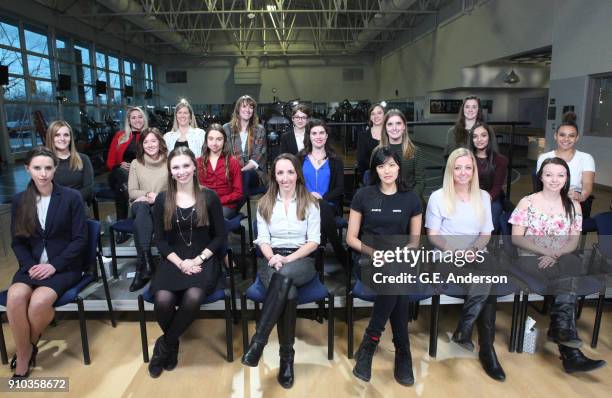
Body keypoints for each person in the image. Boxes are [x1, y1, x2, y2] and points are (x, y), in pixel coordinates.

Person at [510, 157, 606, 374]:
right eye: (549, 174)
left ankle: (562, 334)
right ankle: (568, 348)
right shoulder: (528, 202)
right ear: (541, 177)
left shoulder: (573, 205)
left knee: (572, 264)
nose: (554, 179)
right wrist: (546, 252)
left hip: (560, 255)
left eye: (560, 175)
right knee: (568, 274)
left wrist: (556, 253)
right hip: (530, 255)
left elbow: (573, 240)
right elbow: (517, 238)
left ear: (567, 178)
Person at [7, 146, 88, 379]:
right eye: (37, 168)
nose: (43, 174)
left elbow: (80, 239)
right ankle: (28, 348)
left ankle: (24, 351)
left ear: (55, 170)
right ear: (27, 169)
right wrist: (30, 264)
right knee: (15, 296)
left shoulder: (71, 198)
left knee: (39, 301)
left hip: (63, 266)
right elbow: (18, 241)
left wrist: (54, 265)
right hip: (31, 266)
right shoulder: (20, 200)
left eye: (48, 168)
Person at [425, 148, 505, 381]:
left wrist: (473, 250)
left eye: (467, 167)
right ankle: (486, 349)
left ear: (474, 171)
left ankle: (466, 332)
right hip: (446, 256)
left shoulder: (482, 197)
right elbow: (433, 236)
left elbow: (486, 233)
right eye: (457, 167)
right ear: (450, 169)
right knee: (487, 284)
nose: (462, 172)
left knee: (486, 272)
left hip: (475, 254)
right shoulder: (438, 197)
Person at [241, 153, 320, 389]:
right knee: (290, 295)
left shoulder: (310, 202)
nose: (285, 178)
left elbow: (313, 242)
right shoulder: (264, 203)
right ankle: (287, 359)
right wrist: (272, 258)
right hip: (271, 257)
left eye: (290, 172)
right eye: (280, 173)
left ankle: (259, 342)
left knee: (284, 277)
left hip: (301, 258)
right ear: (274, 176)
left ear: (297, 174)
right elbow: (263, 239)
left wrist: (287, 259)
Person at [148, 147, 226, 378]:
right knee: (162, 300)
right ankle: (172, 345)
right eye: (175, 167)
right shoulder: (163, 199)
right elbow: (160, 240)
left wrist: (198, 259)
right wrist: (181, 263)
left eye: (185, 166)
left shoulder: (209, 196)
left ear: (194, 166)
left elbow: (220, 236)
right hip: (174, 258)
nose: (181, 171)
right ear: (170, 172)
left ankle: (164, 346)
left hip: (204, 257)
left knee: (193, 296)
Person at [347, 147, 422, 386]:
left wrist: (396, 255)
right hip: (369, 260)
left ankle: (369, 343)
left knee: (395, 275)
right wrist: (376, 253)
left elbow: (415, 242)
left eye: (391, 165)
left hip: (400, 260)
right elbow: (351, 238)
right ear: (375, 170)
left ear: (399, 166)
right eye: (381, 166)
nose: (386, 170)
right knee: (395, 280)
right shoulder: (363, 195)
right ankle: (403, 351)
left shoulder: (411, 198)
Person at [298, 119, 346, 265]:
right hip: (304, 204)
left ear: (326, 136)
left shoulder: (336, 160)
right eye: (314, 133)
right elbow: (295, 184)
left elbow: (340, 188)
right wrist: (309, 196)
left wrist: (322, 198)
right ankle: (340, 254)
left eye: (321, 133)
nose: (318, 136)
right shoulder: (299, 158)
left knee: (321, 207)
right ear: (309, 136)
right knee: (318, 208)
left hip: (330, 205)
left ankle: (316, 259)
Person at [127, 127, 168, 291]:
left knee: (147, 213)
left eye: (153, 140)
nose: (150, 145)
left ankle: (143, 266)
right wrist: (147, 194)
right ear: (141, 145)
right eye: (146, 142)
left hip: (161, 204)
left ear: (159, 142)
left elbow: (175, 188)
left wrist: (157, 196)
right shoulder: (136, 163)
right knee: (143, 209)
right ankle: (147, 258)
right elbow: (132, 192)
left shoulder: (169, 160)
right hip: (140, 203)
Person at [536, 112, 595, 217]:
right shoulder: (544, 158)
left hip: (574, 199)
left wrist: (582, 196)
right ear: (556, 136)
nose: (566, 139)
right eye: (562, 135)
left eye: (571, 136)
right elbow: (541, 183)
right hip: (549, 196)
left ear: (577, 138)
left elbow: (587, 184)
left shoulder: (586, 158)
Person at [106, 106, 147, 241]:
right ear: (128, 121)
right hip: (119, 173)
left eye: (140, 117)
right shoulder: (119, 136)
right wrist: (120, 164)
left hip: (140, 174)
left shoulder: (150, 135)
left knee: (127, 185)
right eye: (133, 117)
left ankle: (133, 224)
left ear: (144, 119)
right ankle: (125, 224)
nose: (137, 120)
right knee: (122, 178)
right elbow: (110, 163)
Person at [197, 124, 243, 218]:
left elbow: (238, 193)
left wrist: (218, 200)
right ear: (206, 140)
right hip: (203, 204)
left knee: (212, 217)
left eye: (219, 139)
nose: (214, 143)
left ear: (224, 141)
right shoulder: (198, 162)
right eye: (211, 139)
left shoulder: (233, 163)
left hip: (226, 205)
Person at [223, 95, 267, 195]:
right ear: (238, 109)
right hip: (231, 172)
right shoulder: (226, 128)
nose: (247, 110)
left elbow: (258, 157)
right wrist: (234, 172)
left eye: (251, 107)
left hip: (254, 174)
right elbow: (225, 154)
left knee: (245, 175)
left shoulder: (259, 130)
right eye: (244, 106)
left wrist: (240, 171)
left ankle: (232, 209)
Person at [468, 122, 508, 230]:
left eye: (483, 135)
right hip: (469, 196)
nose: (479, 139)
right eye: (475, 136)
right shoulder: (467, 158)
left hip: (492, 197)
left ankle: (489, 245)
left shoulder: (501, 160)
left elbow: (497, 187)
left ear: (489, 137)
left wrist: (484, 201)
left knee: (493, 215)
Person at [378, 109, 425, 199]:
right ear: (385, 128)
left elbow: (420, 182)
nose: (394, 128)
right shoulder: (378, 152)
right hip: (386, 200)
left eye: (398, 123)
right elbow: (375, 182)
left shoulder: (415, 151)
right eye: (390, 124)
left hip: (410, 200)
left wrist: (408, 201)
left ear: (404, 126)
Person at [45, 120, 94, 203]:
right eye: (57, 135)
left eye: (66, 135)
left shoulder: (83, 159)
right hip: (55, 206)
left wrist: (71, 200)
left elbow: (89, 188)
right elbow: (42, 189)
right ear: (51, 138)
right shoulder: (45, 162)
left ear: (70, 138)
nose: (62, 138)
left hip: (78, 204)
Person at [356, 103, 384, 177]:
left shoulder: (391, 134)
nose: (376, 116)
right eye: (373, 114)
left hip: (390, 174)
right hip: (371, 175)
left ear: (384, 115)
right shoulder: (363, 136)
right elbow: (361, 160)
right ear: (370, 117)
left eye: (379, 113)